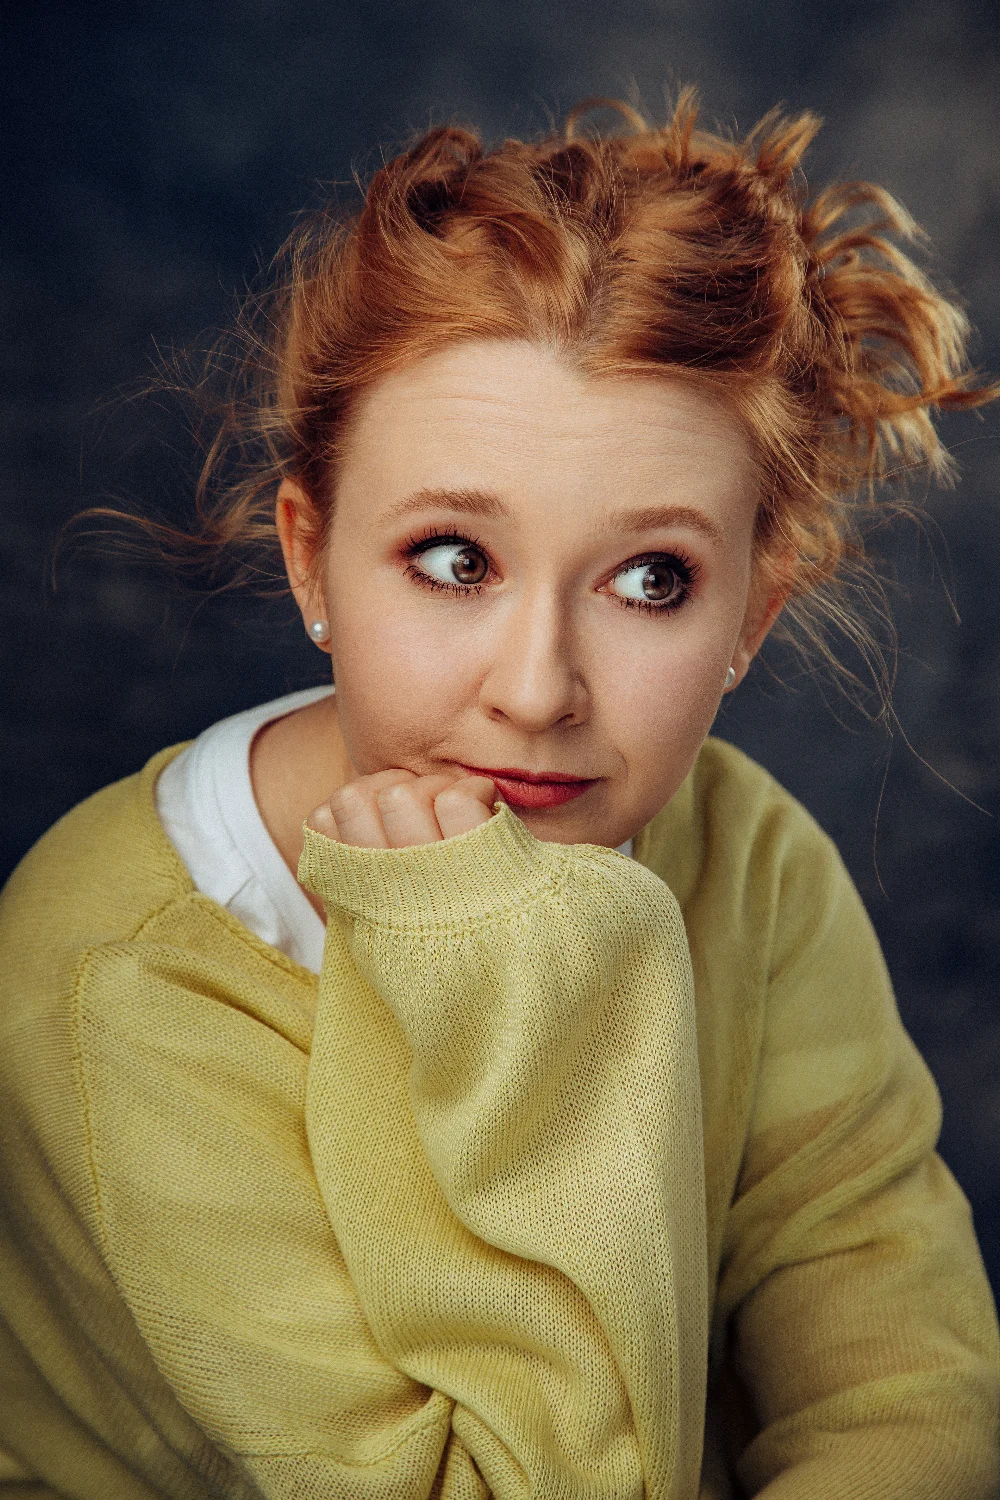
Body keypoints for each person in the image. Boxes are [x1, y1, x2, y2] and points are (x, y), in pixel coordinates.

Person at [0, 90, 997, 1500]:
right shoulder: (119, 984)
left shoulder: (746, 853)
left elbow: (900, 1376)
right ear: (310, 558)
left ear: (752, 614)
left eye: (651, 579)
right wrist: (496, 979)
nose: (537, 691)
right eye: (455, 560)